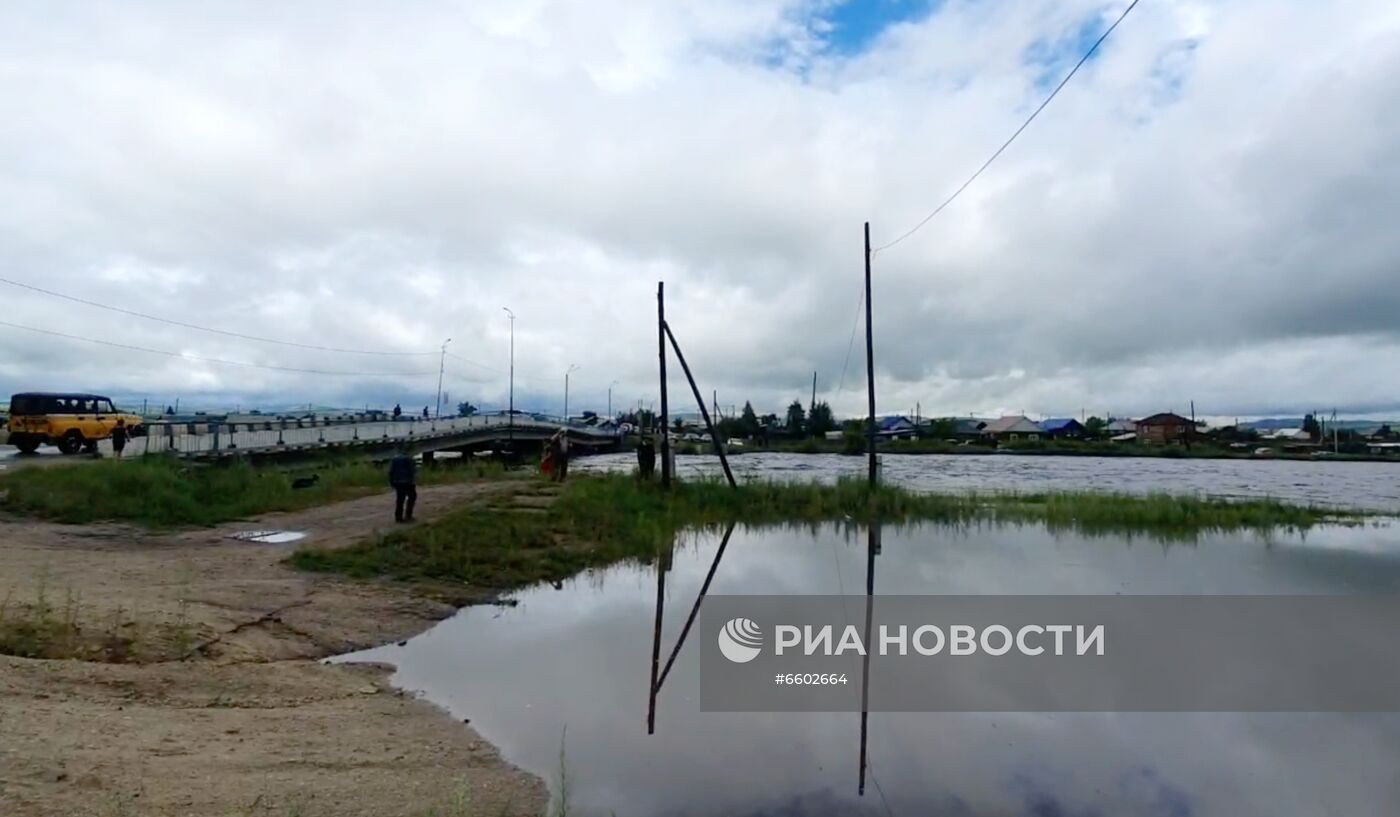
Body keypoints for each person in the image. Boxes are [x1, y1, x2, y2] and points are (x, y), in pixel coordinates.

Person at [388, 447, 417, 523]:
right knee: (412, 497)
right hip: (408, 482)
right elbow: (412, 471)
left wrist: (391, 482)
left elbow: (391, 471)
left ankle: (398, 517)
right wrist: (413, 481)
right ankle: (408, 515)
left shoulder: (395, 459)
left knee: (400, 499)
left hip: (397, 482)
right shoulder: (409, 459)